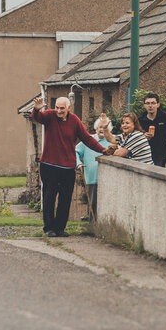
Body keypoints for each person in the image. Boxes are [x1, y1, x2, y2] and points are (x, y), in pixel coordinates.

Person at [31, 96, 109, 238]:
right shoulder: (49, 116)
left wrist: (103, 150)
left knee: (65, 199)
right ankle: (49, 228)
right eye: (57, 107)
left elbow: (87, 138)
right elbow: (38, 118)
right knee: (49, 197)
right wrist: (36, 109)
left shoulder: (74, 121)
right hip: (49, 165)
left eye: (62, 108)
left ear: (69, 108)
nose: (59, 111)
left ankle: (60, 228)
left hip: (67, 167)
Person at [76, 118, 113, 222]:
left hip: (108, 179)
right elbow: (75, 151)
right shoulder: (88, 141)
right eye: (100, 127)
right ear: (96, 128)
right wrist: (78, 163)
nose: (101, 130)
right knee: (93, 204)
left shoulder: (112, 141)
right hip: (92, 178)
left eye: (104, 128)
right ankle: (92, 225)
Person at [138, 92, 166, 167]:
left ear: (158, 104)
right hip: (143, 156)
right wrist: (142, 136)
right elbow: (133, 136)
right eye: (147, 103)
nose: (150, 106)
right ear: (144, 105)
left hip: (159, 157)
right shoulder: (140, 120)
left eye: (153, 103)